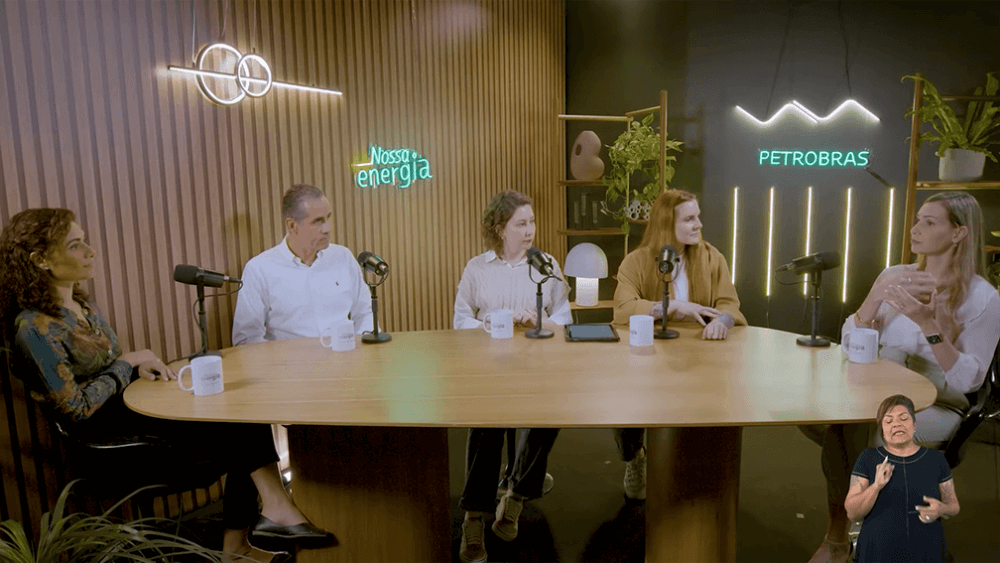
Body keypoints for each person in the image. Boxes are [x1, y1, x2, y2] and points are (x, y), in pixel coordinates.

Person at [0, 208, 330, 563]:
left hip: (131, 411)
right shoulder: (32, 328)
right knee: (239, 431)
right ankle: (256, 529)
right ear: (41, 260)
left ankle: (257, 527)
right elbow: (76, 409)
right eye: (75, 245)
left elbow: (107, 369)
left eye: (85, 241)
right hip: (108, 441)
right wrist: (128, 363)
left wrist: (137, 369)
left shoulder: (83, 305)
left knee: (243, 411)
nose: (90, 252)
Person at [806, 191, 999, 563]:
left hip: (938, 403)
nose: (915, 229)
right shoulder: (896, 275)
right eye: (917, 220)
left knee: (854, 435)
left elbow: (968, 383)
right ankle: (862, 534)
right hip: (880, 391)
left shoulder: (984, 299)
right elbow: (850, 345)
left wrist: (930, 326)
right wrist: (873, 299)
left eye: (930, 222)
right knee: (832, 422)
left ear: (959, 233)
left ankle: (843, 538)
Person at [454, 190, 570, 563]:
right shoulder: (477, 268)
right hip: (490, 369)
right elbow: (460, 320)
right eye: (521, 224)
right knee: (486, 426)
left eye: (531, 222)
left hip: (537, 369)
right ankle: (474, 516)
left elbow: (565, 319)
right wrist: (487, 322)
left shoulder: (547, 265)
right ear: (500, 228)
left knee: (547, 418)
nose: (530, 230)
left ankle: (516, 497)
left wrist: (541, 320)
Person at [612, 189, 746, 499]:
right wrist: (671, 307)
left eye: (698, 216)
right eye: (689, 219)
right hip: (649, 357)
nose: (699, 224)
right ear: (665, 223)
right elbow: (622, 310)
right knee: (625, 398)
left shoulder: (712, 257)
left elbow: (729, 304)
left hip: (700, 357)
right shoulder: (636, 261)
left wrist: (722, 322)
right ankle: (635, 456)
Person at [232, 184, 373, 345]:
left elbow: (365, 313)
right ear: (292, 225)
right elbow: (246, 339)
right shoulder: (259, 270)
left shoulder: (343, 257)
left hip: (345, 356)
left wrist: (362, 351)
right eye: (317, 221)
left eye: (328, 218)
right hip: (288, 360)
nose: (327, 228)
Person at [846, 395, 959, 562]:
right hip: (877, 553)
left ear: (914, 424)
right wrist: (876, 486)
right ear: (882, 431)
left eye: (904, 418)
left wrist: (942, 509)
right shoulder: (868, 458)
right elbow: (852, 513)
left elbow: (954, 506)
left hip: (927, 552)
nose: (896, 424)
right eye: (888, 421)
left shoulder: (936, 459)